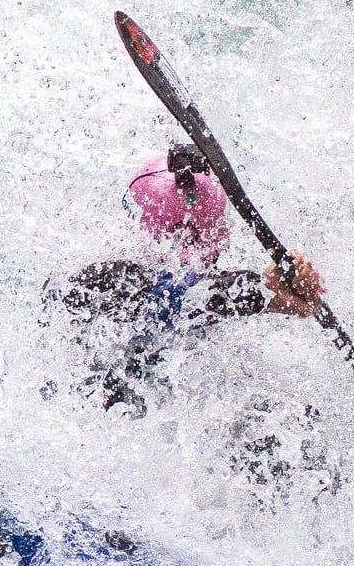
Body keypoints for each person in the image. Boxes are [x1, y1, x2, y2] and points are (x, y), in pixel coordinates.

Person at [51, 144, 326, 413]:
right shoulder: (92, 282)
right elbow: (173, 300)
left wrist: (286, 296)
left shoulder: (192, 303)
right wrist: (267, 293)